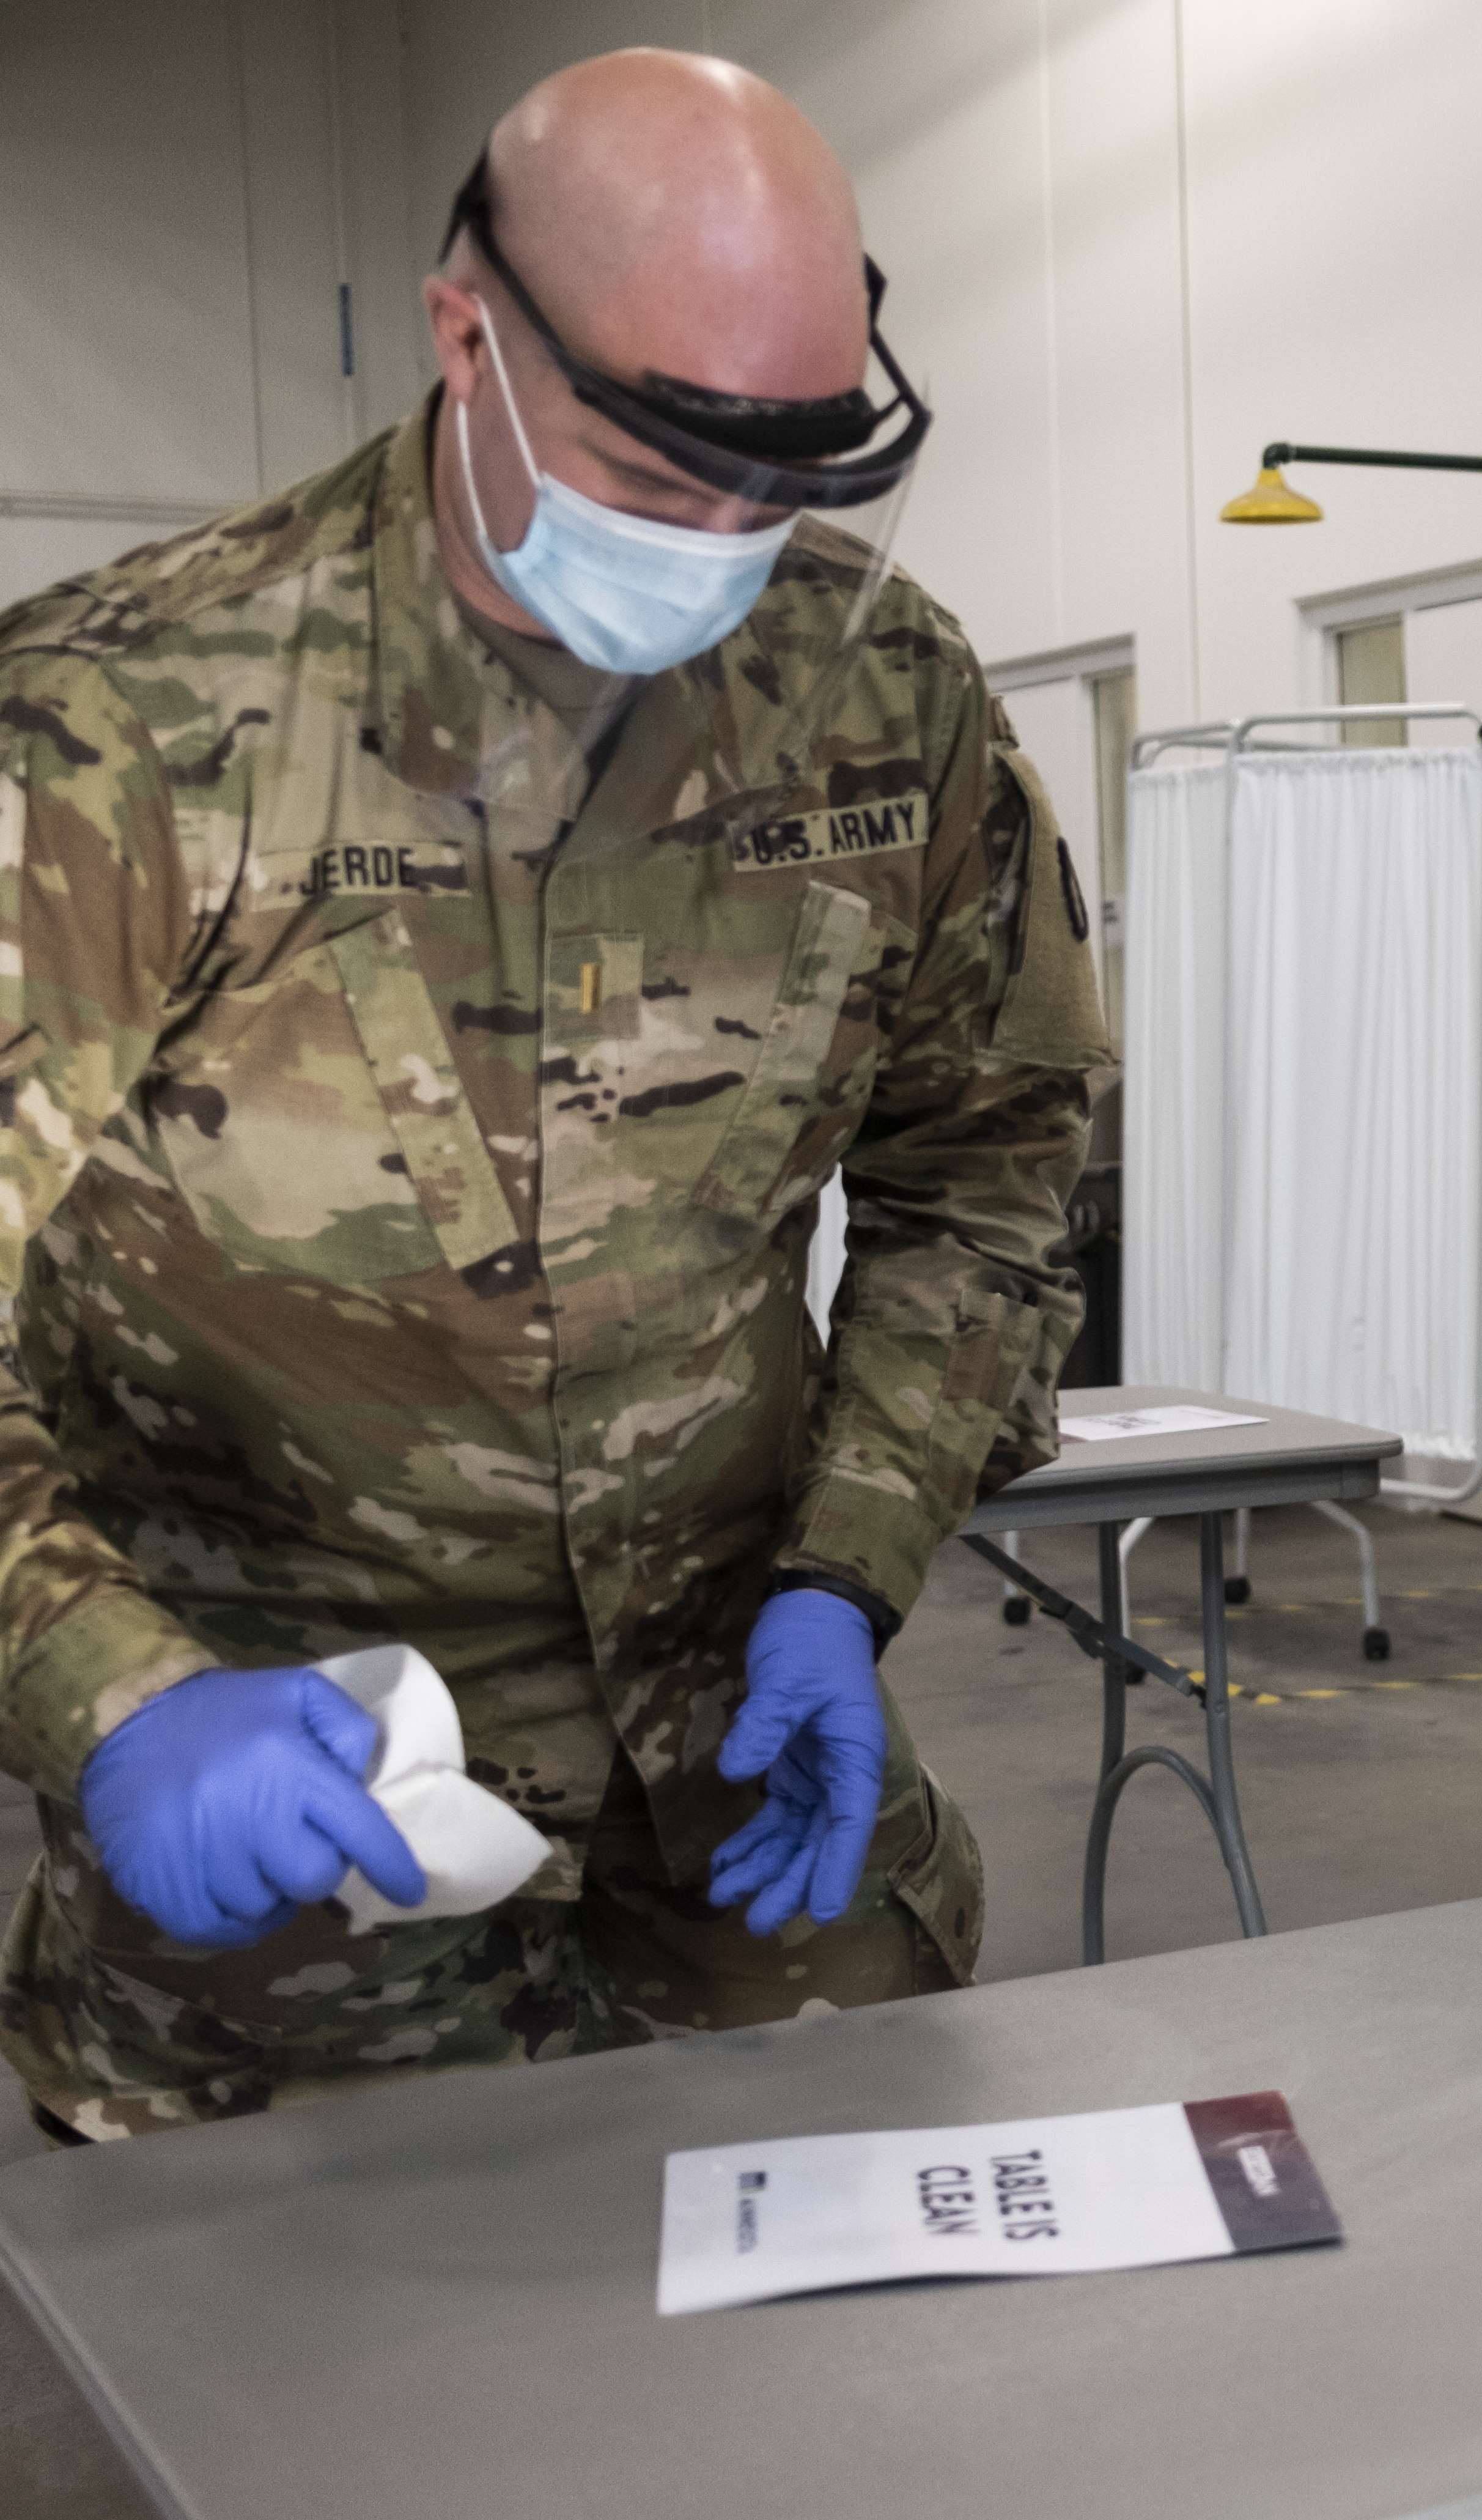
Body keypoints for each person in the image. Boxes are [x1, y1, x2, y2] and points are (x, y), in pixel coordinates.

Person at [0, 50, 1108, 2141]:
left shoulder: (883, 697)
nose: (725, 542)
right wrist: (105, 1691)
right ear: (467, 338)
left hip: (747, 1799)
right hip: (300, 1814)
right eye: (658, 466)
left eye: (782, 479)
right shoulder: (127, 730)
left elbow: (995, 1172)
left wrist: (844, 1572)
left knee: (851, 2415)